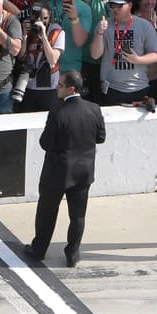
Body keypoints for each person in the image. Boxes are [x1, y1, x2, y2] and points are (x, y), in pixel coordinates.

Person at [26, 71, 106, 267]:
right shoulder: (94, 109)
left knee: (47, 212)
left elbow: (46, 143)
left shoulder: (57, 111)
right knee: (78, 216)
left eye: (60, 85)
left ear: (71, 88)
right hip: (83, 172)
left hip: (57, 172)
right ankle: (73, 253)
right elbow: (100, 138)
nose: (57, 88)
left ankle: (39, 249)